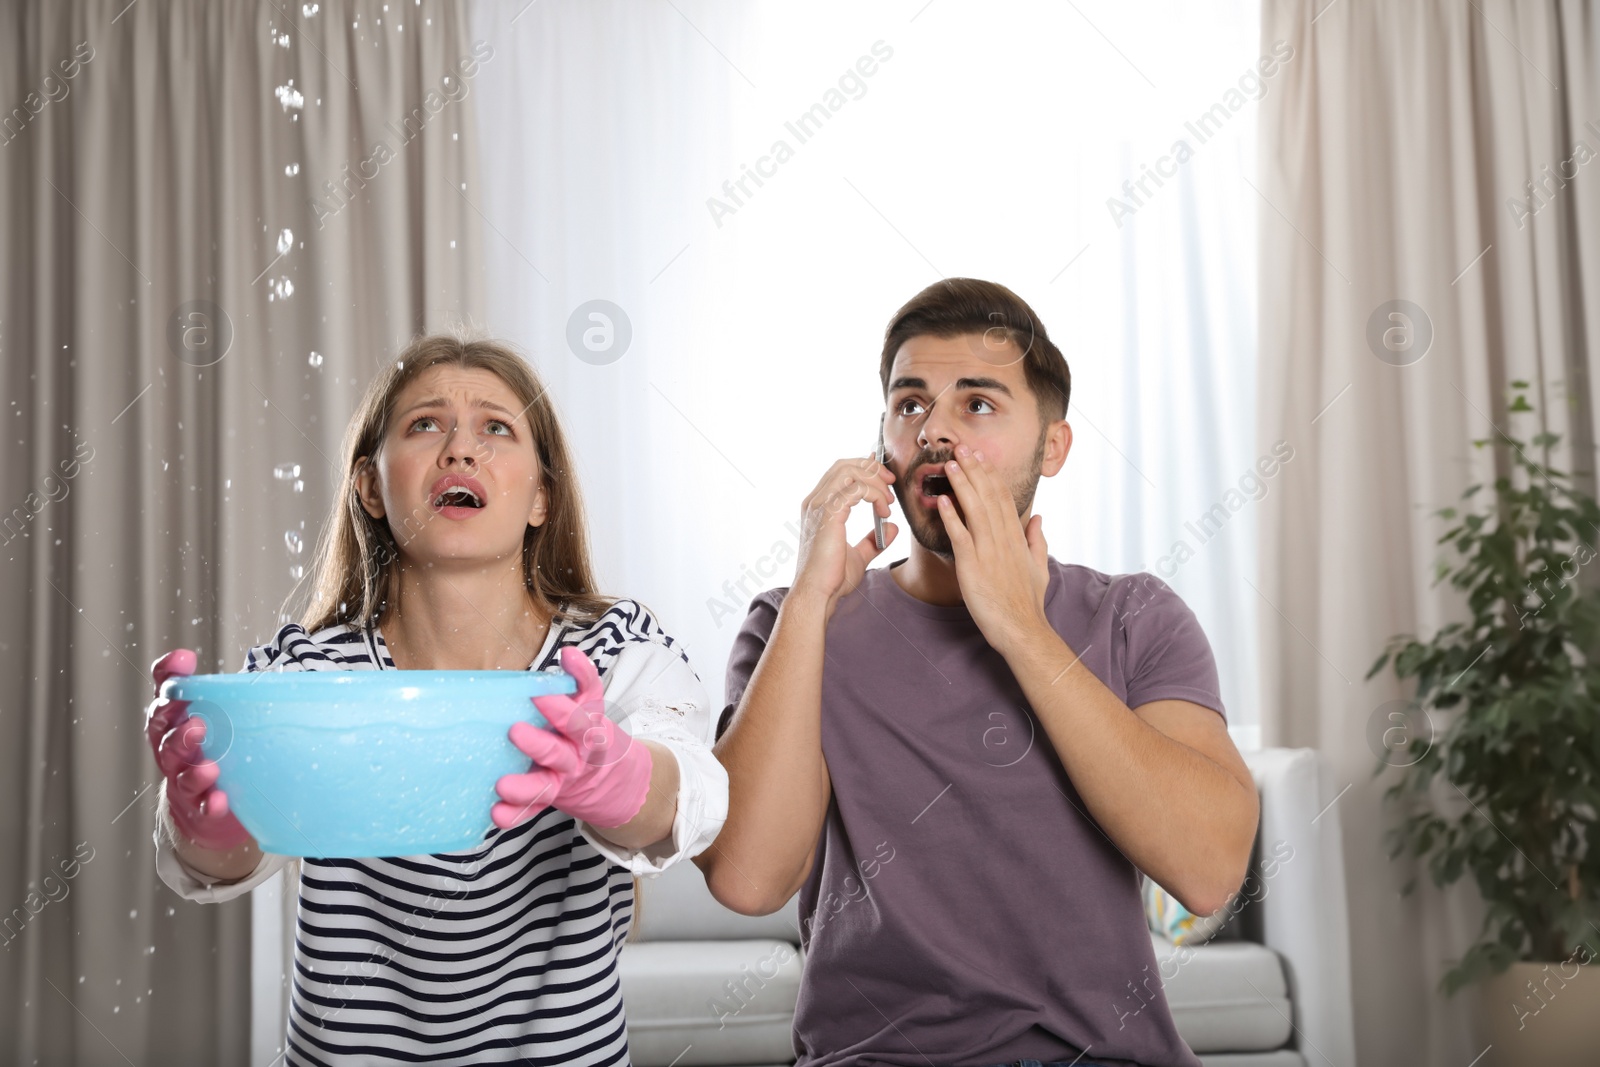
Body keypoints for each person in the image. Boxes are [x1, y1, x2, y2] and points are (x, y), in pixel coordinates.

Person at [696, 279, 1260, 1067]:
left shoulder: (1134, 618)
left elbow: (1208, 871)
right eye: (911, 404)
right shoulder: (795, 624)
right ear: (882, 444)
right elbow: (750, 878)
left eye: (980, 405)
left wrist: (1022, 631)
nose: (936, 432)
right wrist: (807, 603)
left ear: (1052, 447)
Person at [145, 332, 727, 1066]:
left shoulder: (612, 652)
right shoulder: (309, 671)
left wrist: (618, 778)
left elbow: (690, 799)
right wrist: (212, 826)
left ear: (542, 495)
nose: (460, 448)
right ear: (370, 487)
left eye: (496, 427)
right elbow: (216, 866)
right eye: (426, 424)